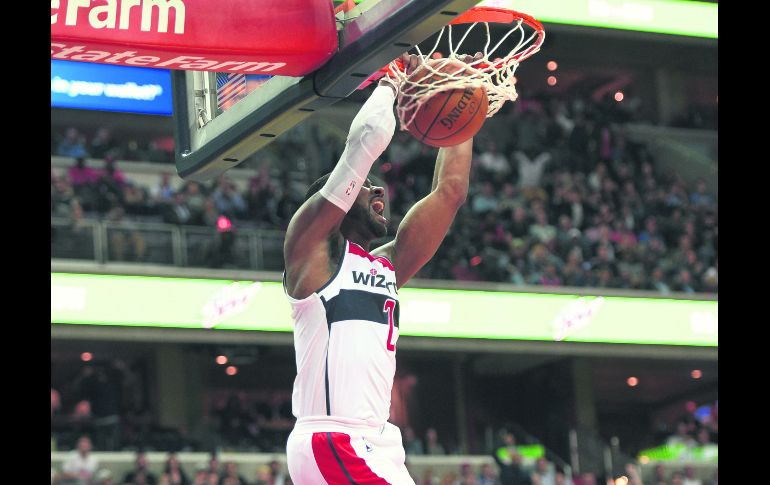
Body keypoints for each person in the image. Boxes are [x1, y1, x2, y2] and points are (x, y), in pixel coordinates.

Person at [283, 53, 476, 485]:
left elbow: (450, 192)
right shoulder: (310, 251)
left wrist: (459, 98)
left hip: (379, 442)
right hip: (332, 437)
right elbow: (365, 140)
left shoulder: (385, 266)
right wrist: (393, 77)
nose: (376, 189)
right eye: (363, 185)